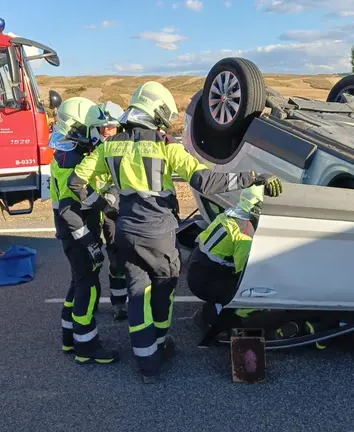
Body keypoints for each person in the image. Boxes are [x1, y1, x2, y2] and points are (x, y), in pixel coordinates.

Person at [66, 81, 284, 382]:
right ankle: (161, 345)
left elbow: (76, 184)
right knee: (163, 290)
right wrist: (254, 177)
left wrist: (105, 205)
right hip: (158, 234)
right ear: (156, 113)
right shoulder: (165, 147)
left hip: (126, 232)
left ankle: (147, 364)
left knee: (136, 293)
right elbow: (206, 182)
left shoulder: (109, 146)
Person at [187, 185, 323, 347]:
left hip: (199, 268)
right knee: (252, 297)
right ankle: (216, 318)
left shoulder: (232, 214)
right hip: (206, 281)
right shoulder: (245, 233)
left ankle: (216, 306)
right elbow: (246, 274)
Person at [50, 96, 118, 364]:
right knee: (88, 287)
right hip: (77, 232)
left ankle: (69, 339)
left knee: (77, 282)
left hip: (72, 232)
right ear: (79, 128)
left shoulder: (68, 152)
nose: (99, 134)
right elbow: (69, 209)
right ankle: (86, 346)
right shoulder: (70, 160)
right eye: (94, 129)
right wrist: (90, 243)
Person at [82, 101, 129, 321]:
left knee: (118, 259)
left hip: (113, 212)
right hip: (91, 211)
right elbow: (77, 181)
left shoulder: (123, 149)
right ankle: (92, 301)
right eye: (104, 128)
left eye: (113, 128)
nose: (109, 132)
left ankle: (119, 304)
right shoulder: (83, 152)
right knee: (90, 262)